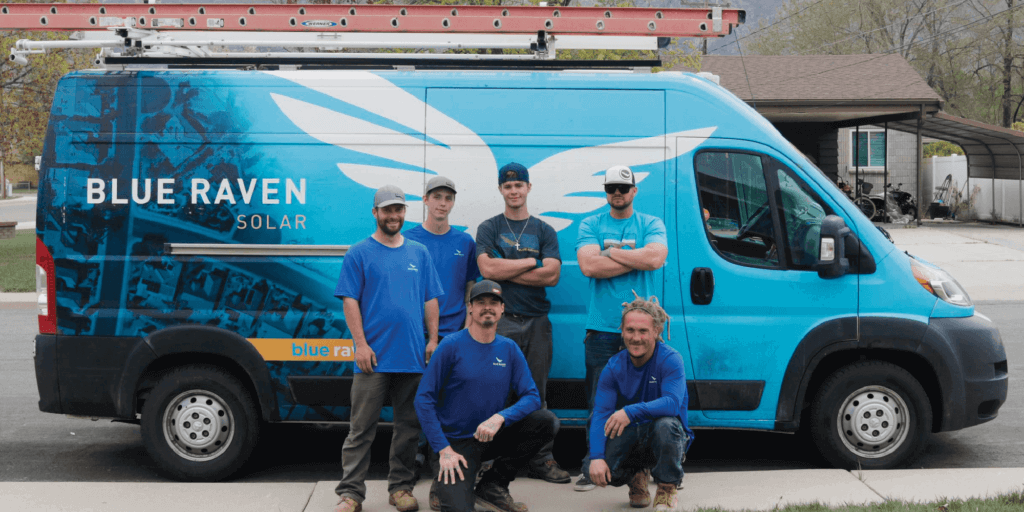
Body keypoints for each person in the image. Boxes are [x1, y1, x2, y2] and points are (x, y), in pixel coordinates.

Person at [333, 185, 445, 512]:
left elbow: (430, 299)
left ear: (404, 212)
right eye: (387, 210)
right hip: (373, 358)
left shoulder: (418, 253)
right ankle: (351, 494)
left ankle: (400, 489)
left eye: (398, 210)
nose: (393, 216)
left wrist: (433, 339)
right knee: (360, 430)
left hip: (411, 357)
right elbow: (350, 300)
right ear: (375, 213)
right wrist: (361, 345)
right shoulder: (359, 252)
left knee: (408, 430)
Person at [415, 280, 557, 512]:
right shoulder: (451, 345)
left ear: (502, 309)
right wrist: (443, 449)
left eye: (494, 303)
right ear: (470, 308)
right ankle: (441, 480)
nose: (487, 307)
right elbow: (423, 399)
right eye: (481, 302)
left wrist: (500, 418)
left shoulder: (509, 348)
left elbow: (531, 396)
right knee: (459, 508)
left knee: (546, 422)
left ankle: (492, 486)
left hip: (490, 435)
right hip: (456, 443)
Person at [574, 165, 668, 492]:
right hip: (601, 329)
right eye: (612, 187)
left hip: (642, 330)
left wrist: (610, 252)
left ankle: (640, 474)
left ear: (634, 191)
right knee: (599, 403)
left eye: (623, 188)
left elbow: (656, 258)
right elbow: (588, 265)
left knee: (643, 402)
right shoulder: (590, 223)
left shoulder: (651, 223)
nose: (618, 193)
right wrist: (633, 256)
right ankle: (593, 465)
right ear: (605, 191)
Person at [474, 162, 570, 484]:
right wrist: (530, 261)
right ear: (500, 190)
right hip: (501, 324)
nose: (513, 191)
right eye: (507, 186)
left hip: (537, 323)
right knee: (496, 392)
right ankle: (493, 458)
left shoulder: (544, 230)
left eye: (519, 186)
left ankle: (540, 459)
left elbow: (553, 275)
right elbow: (488, 270)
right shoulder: (488, 228)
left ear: (528, 188)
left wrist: (508, 267)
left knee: (536, 392)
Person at [403, 175, 481, 510]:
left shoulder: (464, 241)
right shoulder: (407, 239)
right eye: (436, 197)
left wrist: (467, 325)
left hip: (453, 334)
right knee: (416, 400)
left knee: (449, 403)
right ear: (425, 199)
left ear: (452, 203)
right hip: (416, 336)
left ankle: (440, 470)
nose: (442, 203)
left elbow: (470, 288)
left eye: (448, 198)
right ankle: (413, 461)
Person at [587, 294, 692, 511]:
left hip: (666, 434)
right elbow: (600, 414)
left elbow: (672, 404)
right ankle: (636, 475)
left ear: (656, 332)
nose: (636, 338)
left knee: (666, 424)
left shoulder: (671, 359)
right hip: (634, 433)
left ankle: (666, 488)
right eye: (630, 330)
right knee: (608, 471)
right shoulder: (613, 367)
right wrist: (596, 457)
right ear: (622, 331)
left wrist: (629, 412)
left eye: (643, 331)